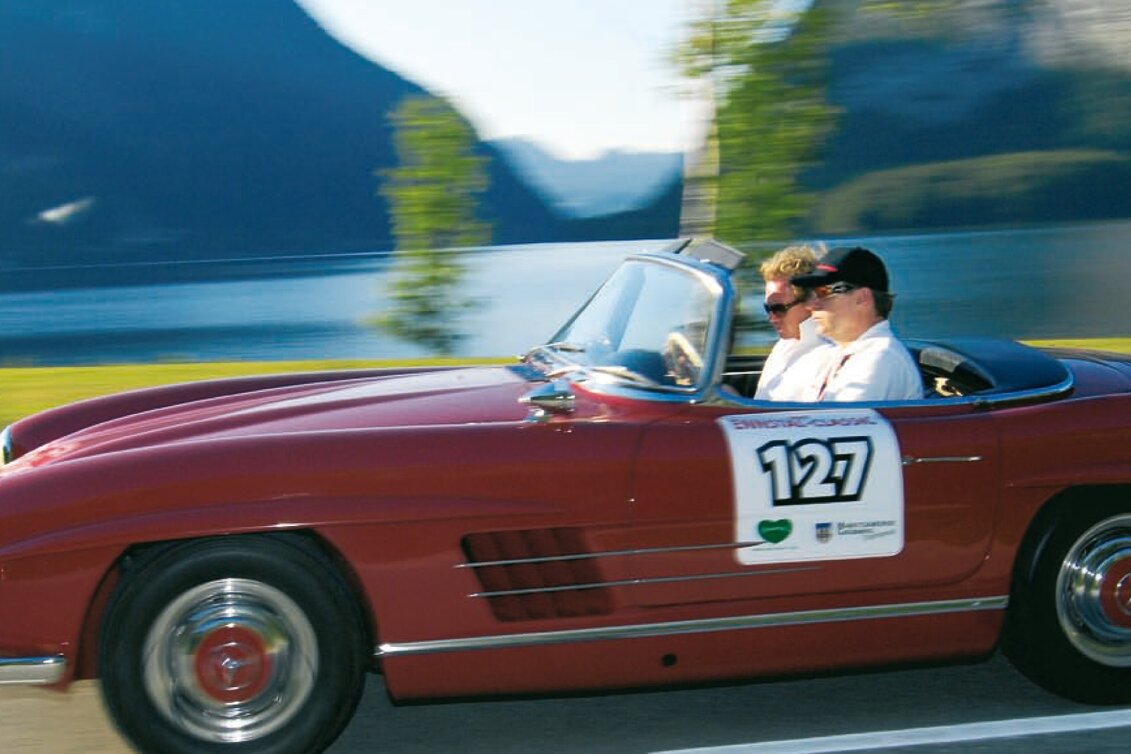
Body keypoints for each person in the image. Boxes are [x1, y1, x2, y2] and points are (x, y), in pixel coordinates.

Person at [772, 246, 922, 402]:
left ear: (862, 298)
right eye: (813, 294)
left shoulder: (881, 357)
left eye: (823, 292)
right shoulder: (840, 355)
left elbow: (838, 417)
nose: (811, 305)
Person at [754, 244, 828, 400]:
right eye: (768, 308)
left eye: (778, 308)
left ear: (811, 301)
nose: (771, 318)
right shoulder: (783, 346)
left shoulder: (828, 356)